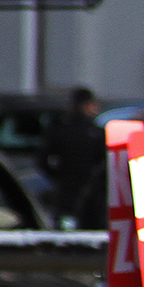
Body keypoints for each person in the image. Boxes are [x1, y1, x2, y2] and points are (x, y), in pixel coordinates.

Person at [45, 86, 110, 229]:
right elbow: (106, 162)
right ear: (87, 105)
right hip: (92, 192)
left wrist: (57, 176)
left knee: (65, 229)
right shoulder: (97, 133)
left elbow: (43, 160)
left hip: (67, 190)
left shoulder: (60, 130)